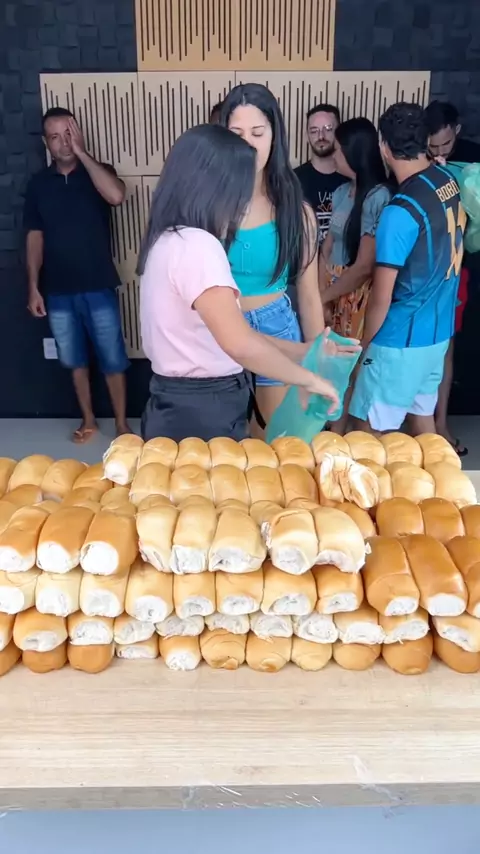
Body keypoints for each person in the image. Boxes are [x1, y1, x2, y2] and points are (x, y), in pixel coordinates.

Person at [138, 124, 356, 442]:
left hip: (181, 401)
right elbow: (239, 343)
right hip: (203, 407)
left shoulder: (170, 239)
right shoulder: (198, 246)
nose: (242, 203)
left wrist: (305, 352)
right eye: (240, 190)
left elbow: (229, 334)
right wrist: (310, 379)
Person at [349, 102, 466, 436]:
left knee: (365, 432)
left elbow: (381, 298)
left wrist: (364, 351)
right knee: (422, 422)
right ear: (426, 141)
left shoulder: (399, 211)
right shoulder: (448, 181)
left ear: (383, 146)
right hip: (437, 335)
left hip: (399, 341)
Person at [218, 83, 325, 432]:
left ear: (274, 136)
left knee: (273, 442)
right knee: (223, 446)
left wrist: (317, 363)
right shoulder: (207, 206)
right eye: (236, 133)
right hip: (219, 329)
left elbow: (309, 296)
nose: (248, 144)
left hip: (275, 325)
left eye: (257, 132)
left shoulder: (295, 211)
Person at [24, 106, 130, 444]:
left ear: (78, 134)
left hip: (98, 284)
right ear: (46, 143)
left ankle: (122, 425)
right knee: (74, 360)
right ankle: (88, 420)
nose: (64, 142)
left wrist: (83, 153)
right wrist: (33, 287)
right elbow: (34, 237)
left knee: (112, 358)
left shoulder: (99, 172)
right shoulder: (38, 185)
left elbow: (117, 195)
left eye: (68, 134)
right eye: (55, 137)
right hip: (57, 291)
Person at [425, 100, 480, 456]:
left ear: (457, 131)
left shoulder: (473, 160)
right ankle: (416, 425)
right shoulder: (415, 160)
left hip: (460, 269)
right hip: (421, 269)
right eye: (432, 147)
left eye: (445, 144)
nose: (440, 153)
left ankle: (440, 424)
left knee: (446, 347)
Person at [319, 117, 390, 340]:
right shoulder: (340, 192)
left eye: (337, 150)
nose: (332, 155)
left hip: (356, 294)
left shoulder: (378, 197)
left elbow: (364, 267)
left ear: (353, 152)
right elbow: (326, 247)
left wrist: (323, 298)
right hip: (331, 290)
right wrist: (323, 296)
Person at [294, 104, 348, 245]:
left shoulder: (351, 179)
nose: (321, 136)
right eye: (314, 131)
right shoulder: (293, 180)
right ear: (307, 136)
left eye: (328, 129)